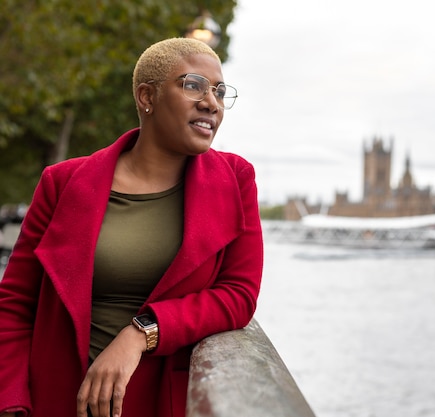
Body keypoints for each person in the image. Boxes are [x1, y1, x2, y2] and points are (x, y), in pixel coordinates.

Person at [0, 37, 264, 417]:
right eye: (193, 85)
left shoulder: (236, 179)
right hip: (54, 400)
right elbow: (15, 304)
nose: (212, 102)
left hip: (160, 402)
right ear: (147, 97)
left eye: (220, 91)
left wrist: (141, 334)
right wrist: (11, 402)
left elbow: (238, 295)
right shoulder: (62, 183)